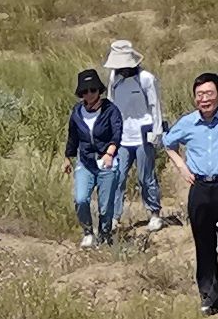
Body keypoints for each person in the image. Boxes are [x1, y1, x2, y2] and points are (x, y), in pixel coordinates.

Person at [163, 73, 218, 313]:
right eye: (199, 95)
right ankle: (209, 296)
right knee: (204, 245)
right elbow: (168, 142)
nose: (204, 99)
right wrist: (181, 166)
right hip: (200, 188)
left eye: (208, 94)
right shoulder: (188, 122)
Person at [105, 39, 164, 233]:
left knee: (145, 176)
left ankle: (154, 213)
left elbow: (155, 106)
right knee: (118, 176)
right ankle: (114, 217)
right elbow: (110, 104)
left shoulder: (146, 78)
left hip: (143, 133)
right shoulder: (114, 78)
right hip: (122, 135)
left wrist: (157, 132)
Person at [67, 69, 129, 247]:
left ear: (99, 90)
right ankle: (88, 231)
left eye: (93, 90)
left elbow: (117, 134)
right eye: (85, 91)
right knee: (81, 199)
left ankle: (105, 234)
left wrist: (110, 153)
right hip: (85, 162)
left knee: (105, 205)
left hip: (107, 162)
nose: (89, 94)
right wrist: (67, 157)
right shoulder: (77, 111)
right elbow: (72, 135)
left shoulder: (111, 110)